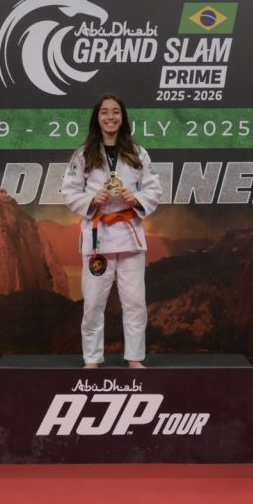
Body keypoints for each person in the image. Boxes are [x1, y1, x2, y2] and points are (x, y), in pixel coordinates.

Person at [61, 94, 162, 368]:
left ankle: (135, 357)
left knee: (135, 302)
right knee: (94, 303)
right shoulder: (83, 154)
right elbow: (69, 190)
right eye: (104, 112)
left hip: (129, 236)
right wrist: (92, 200)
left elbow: (154, 188)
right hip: (99, 238)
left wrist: (136, 198)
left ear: (122, 117)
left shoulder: (138, 153)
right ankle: (92, 359)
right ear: (97, 118)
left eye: (115, 112)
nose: (110, 117)